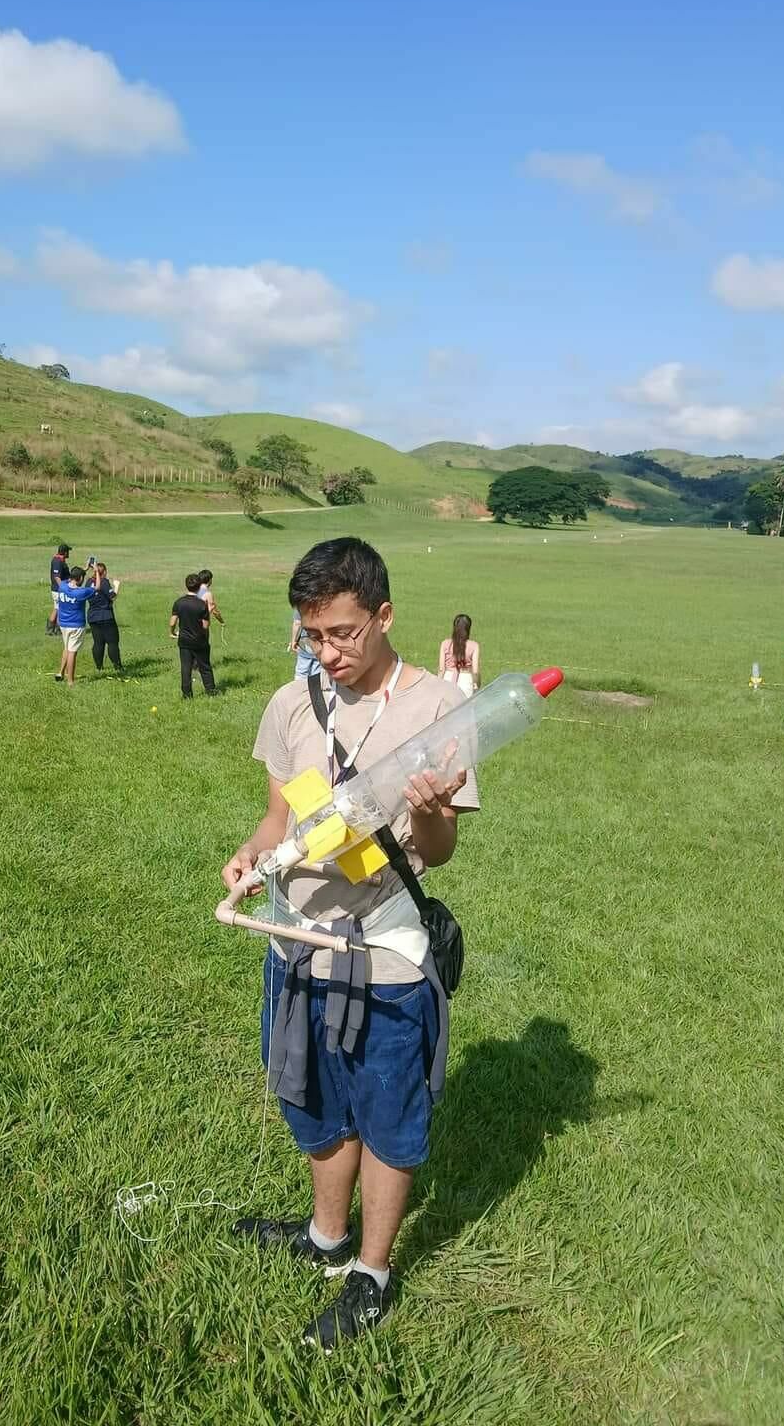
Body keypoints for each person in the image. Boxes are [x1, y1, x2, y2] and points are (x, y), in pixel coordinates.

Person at [222, 536, 479, 1350]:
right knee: (313, 1098)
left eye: (341, 633)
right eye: (311, 635)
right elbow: (279, 815)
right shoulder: (292, 703)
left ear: (384, 615)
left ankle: (371, 1271)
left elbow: (436, 853)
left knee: (387, 1113)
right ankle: (325, 1237)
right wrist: (252, 851)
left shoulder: (438, 707)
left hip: (384, 950)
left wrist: (432, 808)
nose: (326, 652)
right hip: (292, 939)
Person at [170, 573, 216, 698]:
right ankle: (211, 691)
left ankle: (187, 694)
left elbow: (173, 622)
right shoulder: (202, 605)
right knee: (205, 667)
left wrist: (172, 632)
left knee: (186, 668)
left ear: (187, 586)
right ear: (199, 587)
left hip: (184, 641)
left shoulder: (179, 602)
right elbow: (205, 626)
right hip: (199, 640)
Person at [54, 565, 100, 685]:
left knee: (67, 647)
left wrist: (82, 570)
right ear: (80, 578)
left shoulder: (62, 587)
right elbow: (98, 587)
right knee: (72, 652)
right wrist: (96, 571)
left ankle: (60, 672)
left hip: (63, 623)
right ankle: (70, 681)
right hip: (76, 625)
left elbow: (65, 580)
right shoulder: (81, 592)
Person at [87, 562, 123, 673]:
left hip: (93, 616)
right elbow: (112, 597)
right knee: (112, 642)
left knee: (98, 642)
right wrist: (117, 586)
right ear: (105, 572)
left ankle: (99, 667)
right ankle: (118, 667)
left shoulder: (88, 582)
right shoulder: (104, 582)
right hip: (106, 616)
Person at [438, 612, 481, 698]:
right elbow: (475, 671)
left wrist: (438, 685)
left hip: (447, 678)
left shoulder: (445, 643)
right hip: (466, 680)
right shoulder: (474, 645)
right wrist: (477, 684)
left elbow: (441, 669)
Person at [288, 606, 321, 679]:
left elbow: (297, 623)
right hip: (319, 643)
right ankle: (314, 688)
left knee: (301, 671)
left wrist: (294, 641)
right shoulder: (324, 602)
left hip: (305, 643)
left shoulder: (301, 603)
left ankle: (298, 688)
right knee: (316, 670)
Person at [47, 544, 71, 636]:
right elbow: (57, 577)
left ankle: (52, 629)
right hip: (58, 589)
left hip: (58, 589)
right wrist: (63, 588)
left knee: (57, 608)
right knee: (59, 609)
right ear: (65, 552)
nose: (69, 553)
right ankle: (56, 629)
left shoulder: (59, 560)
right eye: (68, 551)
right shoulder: (58, 562)